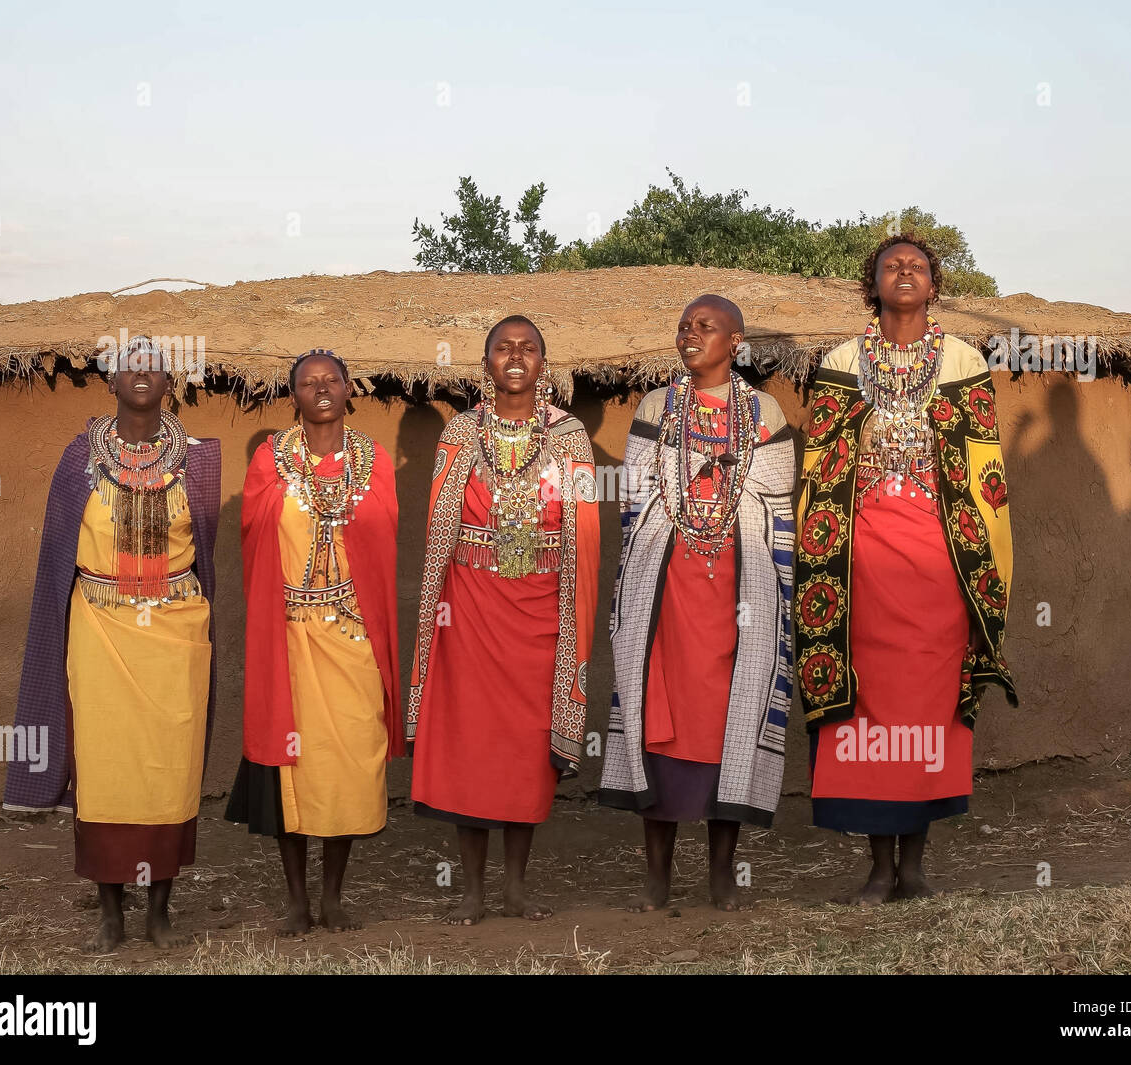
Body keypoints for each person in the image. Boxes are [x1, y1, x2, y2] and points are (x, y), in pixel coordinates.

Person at [795, 235, 1017, 904]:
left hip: (940, 566)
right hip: (859, 564)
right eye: (891, 264)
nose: (904, 272)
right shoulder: (840, 361)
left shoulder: (962, 360)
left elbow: (986, 473)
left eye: (916, 265)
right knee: (866, 711)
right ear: (874, 282)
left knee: (928, 708)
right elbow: (820, 474)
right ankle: (877, 865)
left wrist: (985, 572)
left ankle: (914, 866)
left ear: (933, 282)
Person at [3, 335, 220, 952]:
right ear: (112, 383)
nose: (142, 375)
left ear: (172, 383)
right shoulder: (78, 460)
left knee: (169, 770)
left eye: (155, 367)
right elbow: (56, 560)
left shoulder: (198, 462)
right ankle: (109, 911)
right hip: (99, 628)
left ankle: (159, 911)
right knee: (105, 770)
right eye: (131, 367)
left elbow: (205, 550)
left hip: (176, 628)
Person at [599, 295, 796, 911]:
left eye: (705, 327)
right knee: (659, 720)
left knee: (726, 727)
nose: (691, 335)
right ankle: (656, 883)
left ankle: (720, 877)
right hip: (668, 593)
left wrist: (723, 494)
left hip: (739, 593)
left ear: (735, 341)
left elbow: (777, 493)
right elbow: (637, 495)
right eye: (684, 326)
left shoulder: (764, 411)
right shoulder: (657, 406)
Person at [407, 316, 600, 925]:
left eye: (528, 349)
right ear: (485, 361)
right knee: (472, 748)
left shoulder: (570, 437)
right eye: (502, 348)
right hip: (468, 610)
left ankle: (516, 887)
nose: (515, 357)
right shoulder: (461, 433)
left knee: (523, 751)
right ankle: (471, 889)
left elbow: (582, 533)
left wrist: (573, 610)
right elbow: (440, 527)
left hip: (541, 613)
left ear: (544, 362)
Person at [225, 348, 401, 933]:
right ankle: (297, 900)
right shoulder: (269, 460)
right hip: (291, 637)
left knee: (349, 763)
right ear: (293, 395)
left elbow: (382, 534)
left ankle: (333, 896)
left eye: (331, 380)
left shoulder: (372, 460)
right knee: (292, 770)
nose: (321, 389)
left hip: (351, 636)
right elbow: (254, 530)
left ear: (350, 389)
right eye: (308, 382)